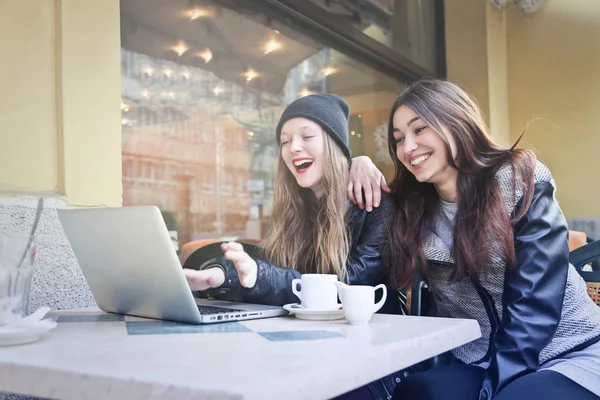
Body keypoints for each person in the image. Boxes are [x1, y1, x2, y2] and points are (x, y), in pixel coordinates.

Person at [352, 79, 600, 400]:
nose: (408, 147)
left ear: (457, 122)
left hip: (570, 351)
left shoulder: (519, 179)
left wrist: (488, 392)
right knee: (417, 391)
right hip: (480, 359)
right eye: (399, 139)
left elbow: (536, 302)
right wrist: (355, 164)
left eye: (420, 129)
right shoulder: (410, 206)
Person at [183, 93, 412, 399]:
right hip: (306, 349)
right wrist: (223, 275)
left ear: (333, 143)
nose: (294, 148)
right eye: (285, 140)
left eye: (307, 136)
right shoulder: (293, 210)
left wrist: (260, 277)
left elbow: (346, 287)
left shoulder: (374, 203)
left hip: (370, 363)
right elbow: (270, 268)